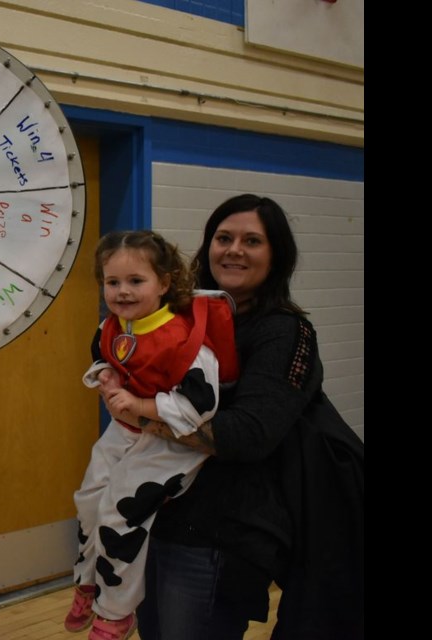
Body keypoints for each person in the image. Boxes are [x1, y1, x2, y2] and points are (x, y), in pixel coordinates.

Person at [99, 195, 364, 640]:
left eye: (252, 241)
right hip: (156, 516)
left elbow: (246, 436)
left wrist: (143, 416)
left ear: (275, 255)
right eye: (224, 238)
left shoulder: (283, 330)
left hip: (219, 533)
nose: (234, 249)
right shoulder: (176, 319)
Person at [65, 230, 239, 640]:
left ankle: (116, 612)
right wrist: (105, 375)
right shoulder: (114, 325)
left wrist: (140, 406)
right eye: (112, 282)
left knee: (119, 515)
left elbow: (201, 406)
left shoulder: (183, 339)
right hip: (123, 432)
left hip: (170, 444)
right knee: (89, 502)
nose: (122, 291)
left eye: (135, 281)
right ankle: (88, 581)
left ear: (164, 283)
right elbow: (104, 357)